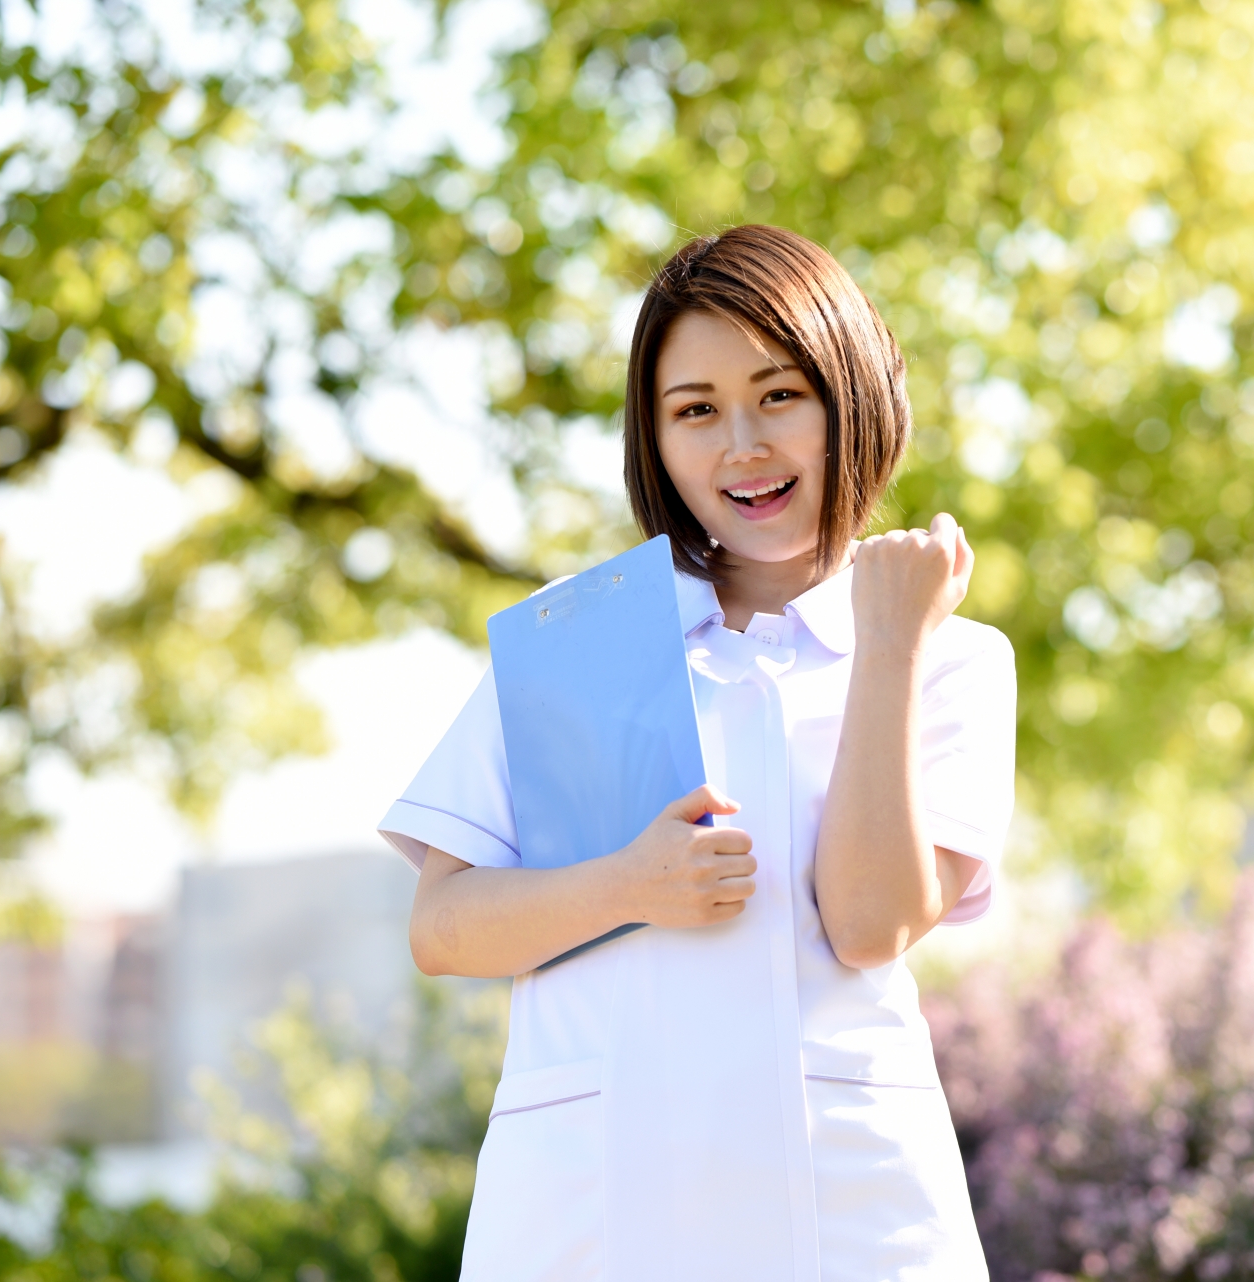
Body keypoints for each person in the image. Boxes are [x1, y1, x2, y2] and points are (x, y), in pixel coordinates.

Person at [377, 224, 1016, 1281]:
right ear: (655, 439)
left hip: (847, 1209)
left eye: (780, 395)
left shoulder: (949, 655)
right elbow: (445, 928)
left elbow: (869, 923)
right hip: (595, 1209)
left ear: (851, 396)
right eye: (696, 412)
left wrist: (890, 641)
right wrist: (625, 884)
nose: (742, 447)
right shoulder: (576, 634)